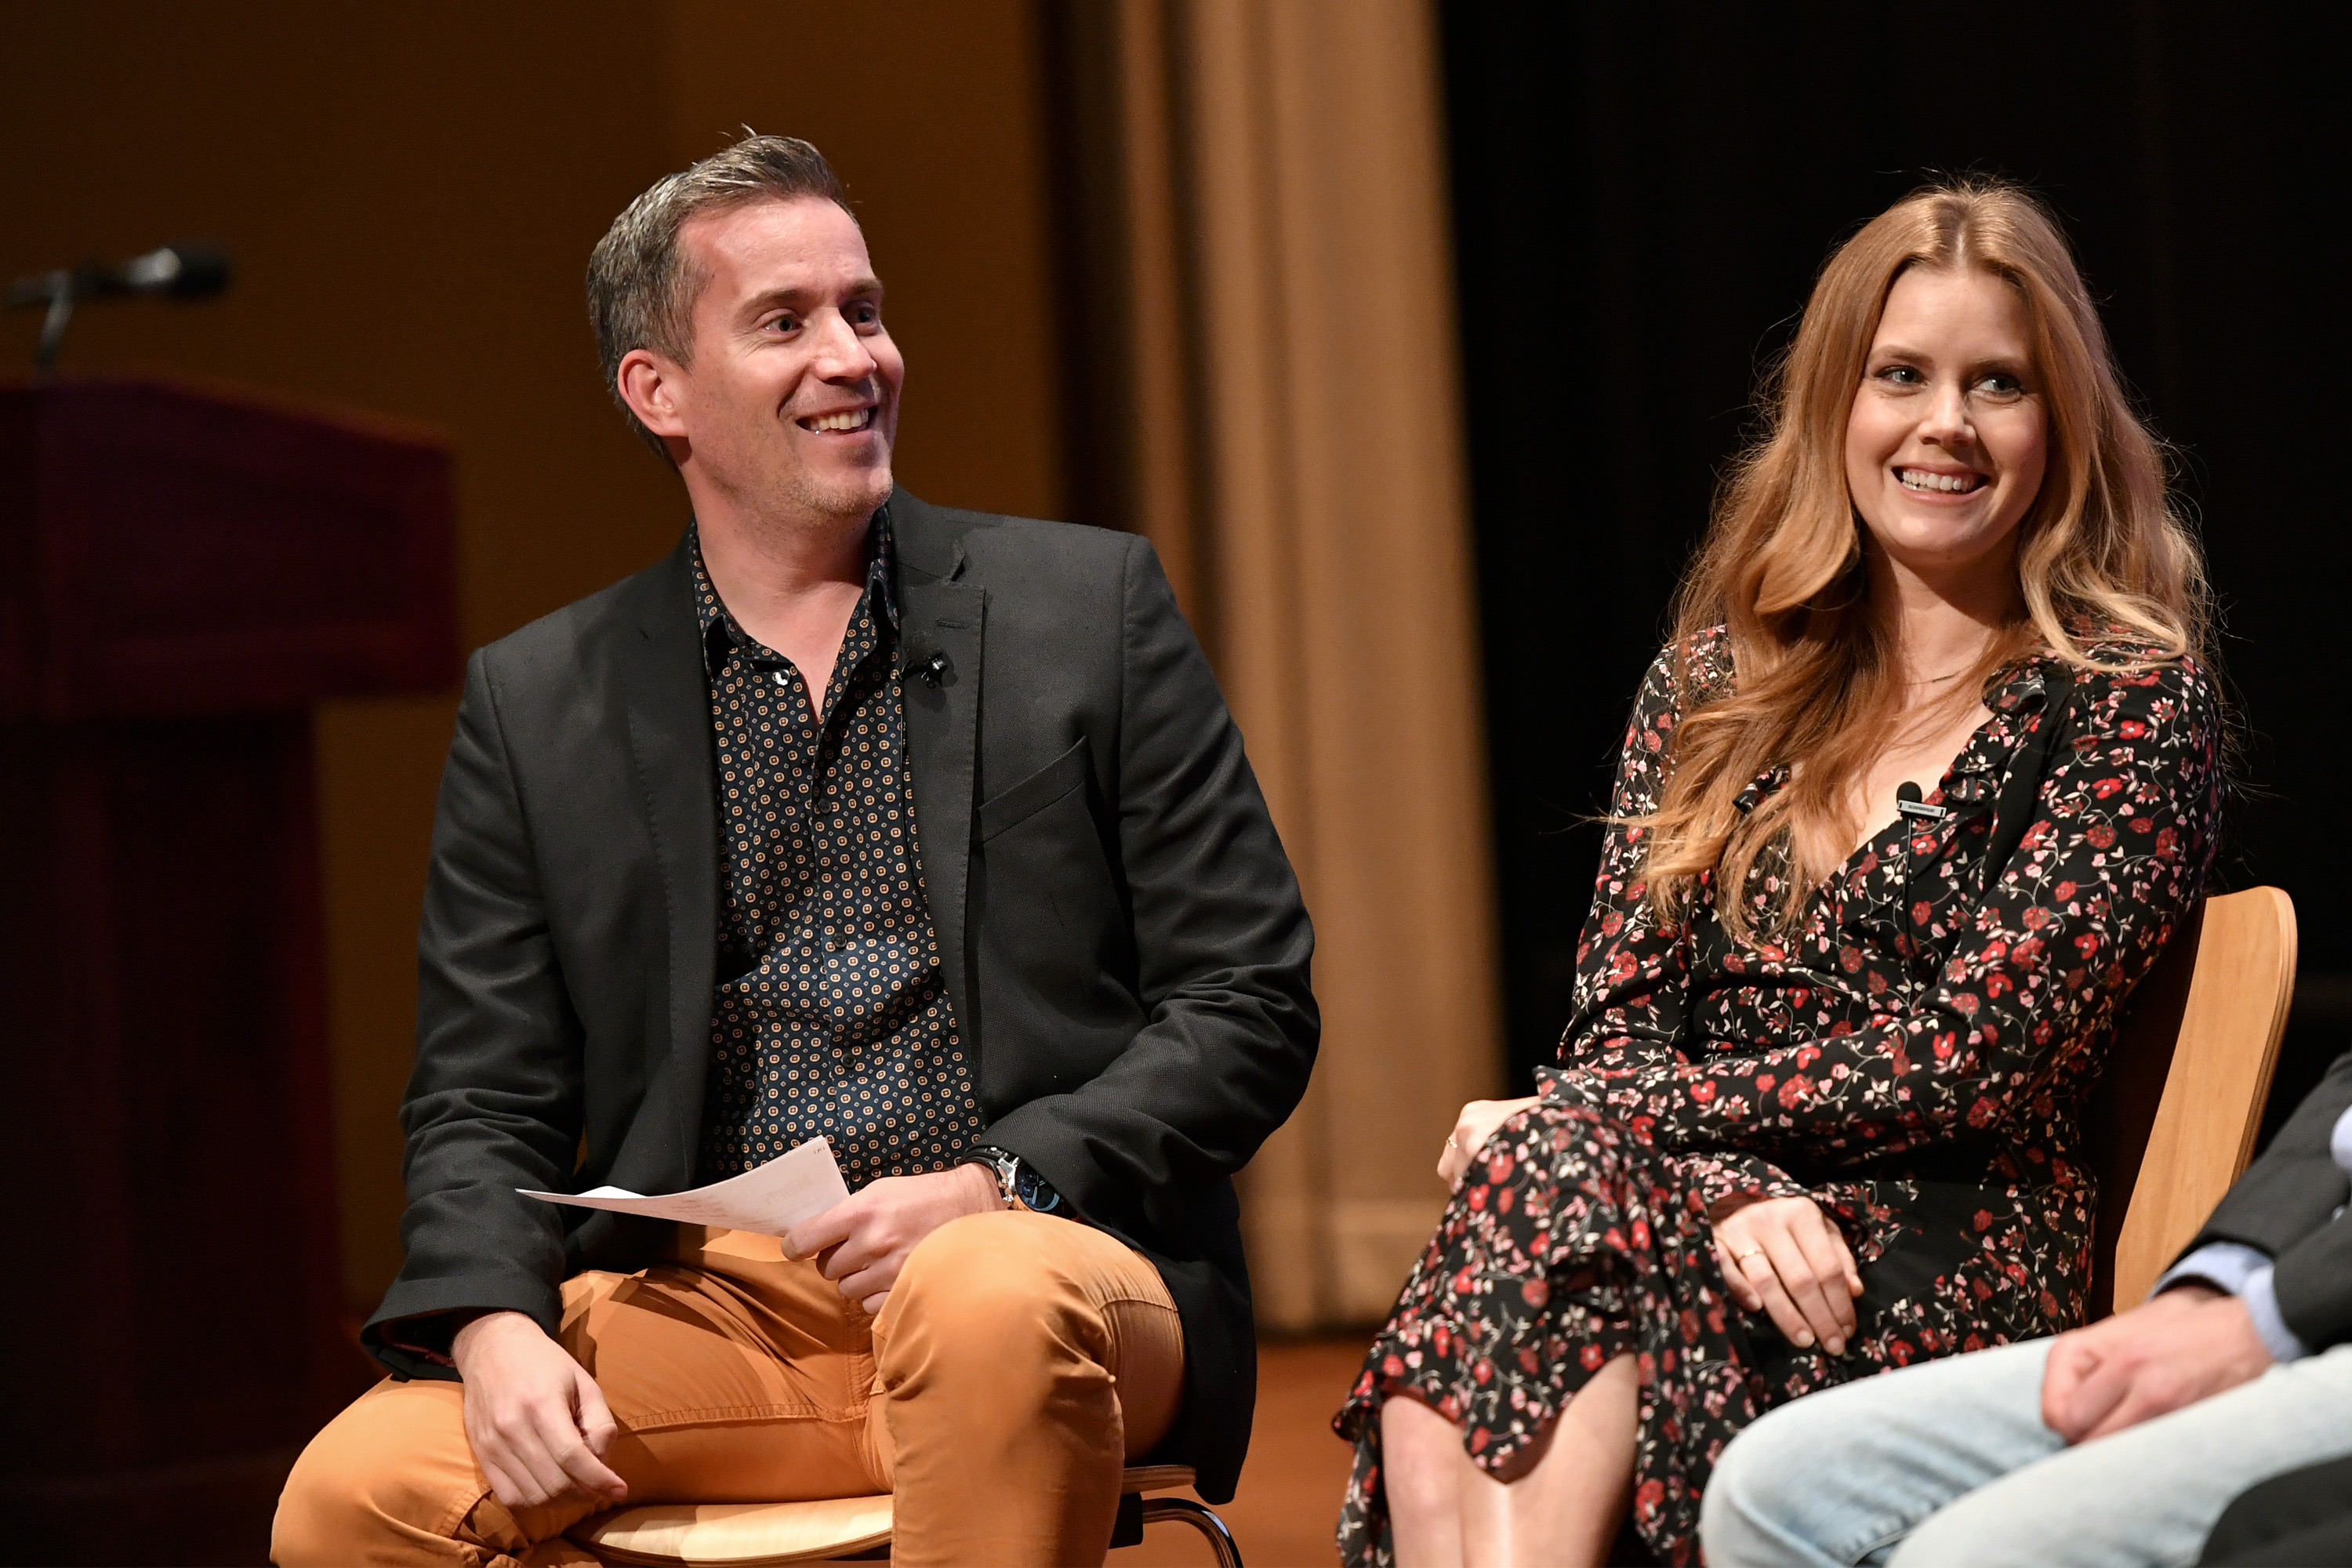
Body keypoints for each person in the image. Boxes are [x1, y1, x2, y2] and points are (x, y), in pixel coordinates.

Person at [270, 135, 1317, 1568]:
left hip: (1047, 1264)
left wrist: (999, 1183)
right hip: (728, 1316)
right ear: (659, 393)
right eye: (786, 322)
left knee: (981, 1300)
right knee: (352, 1496)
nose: (852, 357)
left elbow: (1249, 999)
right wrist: (493, 1321)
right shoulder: (541, 704)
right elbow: (480, 1096)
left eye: (863, 310)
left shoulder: (1086, 612)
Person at [1333, 177, 2226, 1568]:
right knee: (1549, 1189)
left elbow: (1967, 1062)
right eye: (1901, 375)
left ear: (2060, 423)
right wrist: (1722, 1182)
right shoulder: (1711, 688)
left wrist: (1617, 1124)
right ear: (1834, 407)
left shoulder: (2129, 699)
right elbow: (1618, 1026)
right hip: (1689, 1209)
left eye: (1998, 383)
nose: (1946, 422)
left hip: (1945, 1255)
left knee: (1544, 1177)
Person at [1700, 1047, 2352, 1568]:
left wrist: (2267, 1317)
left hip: (1960, 1233)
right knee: (1766, 1492)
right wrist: (2210, 1287)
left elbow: (1957, 1062)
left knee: (1961, 1556)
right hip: (2287, 1276)